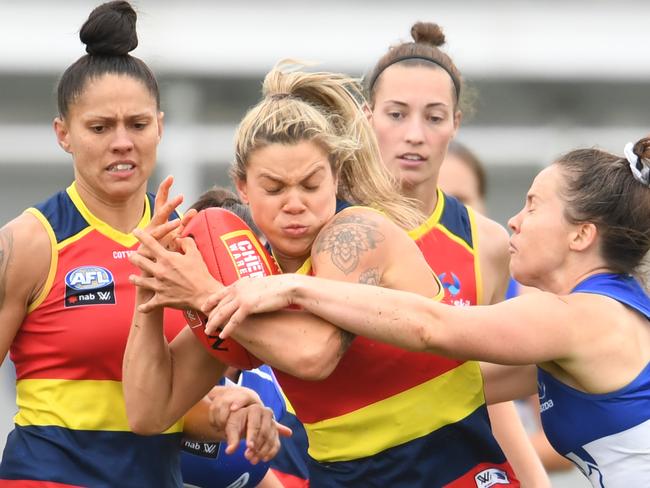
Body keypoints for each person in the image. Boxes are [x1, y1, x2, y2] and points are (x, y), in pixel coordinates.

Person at [123, 61, 522, 486]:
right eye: (274, 189)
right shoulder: (243, 274)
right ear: (243, 187)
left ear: (335, 176)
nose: (294, 204)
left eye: (311, 185)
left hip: (451, 475)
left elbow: (315, 353)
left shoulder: (356, 233)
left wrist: (204, 294)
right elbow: (149, 412)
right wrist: (150, 284)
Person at [209, 138, 650, 487]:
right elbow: (455, 381)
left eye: (533, 204)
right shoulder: (600, 315)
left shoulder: (579, 318)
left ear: (582, 236)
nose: (515, 220)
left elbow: (431, 327)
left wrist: (290, 285)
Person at [0, 3, 281, 486]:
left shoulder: (194, 243)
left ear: (160, 126)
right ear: (63, 134)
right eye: (99, 127)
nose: (122, 142)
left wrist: (227, 410)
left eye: (137, 124)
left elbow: (158, 408)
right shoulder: (28, 241)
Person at [362, 22, 548, 485]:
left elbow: (484, 389)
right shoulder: (334, 229)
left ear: (455, 124)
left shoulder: (486, 242)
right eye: (397, 114)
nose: (415, 135)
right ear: (368, 118)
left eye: (434, 117)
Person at [439, 141, 574, 473]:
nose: (443, 216)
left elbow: (556, 446)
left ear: (483, 204)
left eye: (459, 201)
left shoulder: (527, 295)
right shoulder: (386, 287)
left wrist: (473, 461)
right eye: (433, 201)